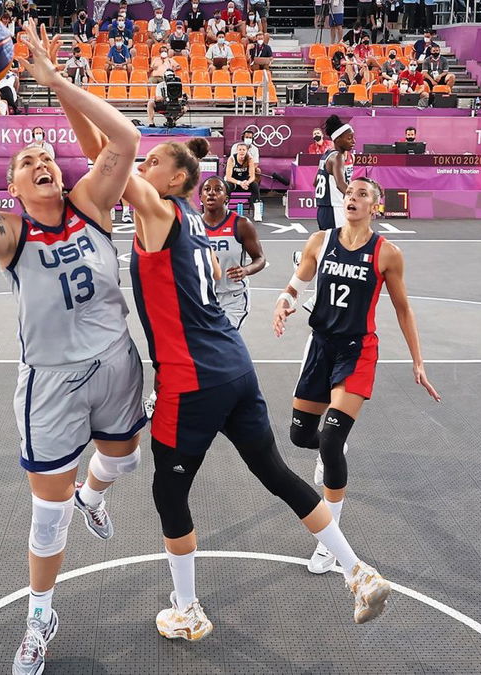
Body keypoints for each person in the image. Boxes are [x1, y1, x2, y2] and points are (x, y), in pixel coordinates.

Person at [116, 138, 391, 645]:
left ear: (177, 180)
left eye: (153, 162)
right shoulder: (195, 224)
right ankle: (358, 572)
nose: (142, 166)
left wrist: (54, 82)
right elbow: (213, 273)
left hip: (191, 379)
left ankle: (187, 609)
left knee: (169, 491)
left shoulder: (162, 215)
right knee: (275, 472)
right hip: (235, 366)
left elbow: (112, 158)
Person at [0, 22, 145, 674]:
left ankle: (96, 493)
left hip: (116, 360)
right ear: (16, 188)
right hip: (51, 382)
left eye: (47, 153)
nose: (41, 159)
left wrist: (57, 84)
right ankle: (39, 615)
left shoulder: (91, 204)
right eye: (27, 160)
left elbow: (128, 139)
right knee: (46, 515)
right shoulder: (11, 236)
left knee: (124, 459)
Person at [274, 175, 439, 574]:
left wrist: (418, 361)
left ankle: (330, 543)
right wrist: (284, 302)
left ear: (375, 206)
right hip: (320, 348)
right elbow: (296, 285)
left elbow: (403, 309)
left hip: (357, 351)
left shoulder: (386, 254)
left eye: (362, 195)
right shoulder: (320, 241)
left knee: (330, 440)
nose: (352, 199)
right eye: (349, 194)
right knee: (301, 436)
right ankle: (333, 450)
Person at [200, 176, 266, 329]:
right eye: (207, 189)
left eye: (218, 190)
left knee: (222, 342)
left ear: (226, 199)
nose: (211, 193)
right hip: (204, 298)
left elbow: (260, 258)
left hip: (233, 298)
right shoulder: (194, 226)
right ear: (201, 198)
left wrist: (246, 270)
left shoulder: (241, 224)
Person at [314, 115, 356, 231]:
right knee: (341, 246)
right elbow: (340, 184)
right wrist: (359, 198)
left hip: (324, 209)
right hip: (335, 208)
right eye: (349, 138)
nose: (354, 141)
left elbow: (315, 182)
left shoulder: (326, 155)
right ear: (337, 140)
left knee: (329, 245)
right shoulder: (338, 157)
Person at [224, 141, 261, 210]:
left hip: (245, 182)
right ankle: (225, 209)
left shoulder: (250, 159)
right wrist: (239, 183)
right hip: (234, 182)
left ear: (247, 151)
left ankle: (257, 211)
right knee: (227, 185)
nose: (242, 151)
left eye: (244, 150)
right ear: (237, 150)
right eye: (240, 150)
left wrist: (247, 182)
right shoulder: (232, 159)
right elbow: (228, 177)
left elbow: (252, 176)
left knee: (255, 185)